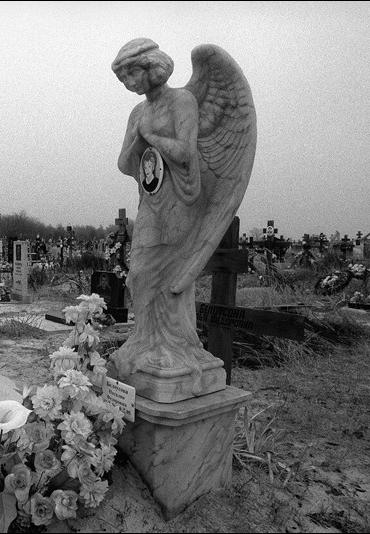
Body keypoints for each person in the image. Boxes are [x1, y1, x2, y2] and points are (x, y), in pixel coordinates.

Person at [109, 38, 257, 397]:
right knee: (140, 274)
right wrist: (135, 141)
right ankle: (146, 342)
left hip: (179, 202)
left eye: (132, 74)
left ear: (150, 66)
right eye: (123, 79)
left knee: (166, 277)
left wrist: (150, 136)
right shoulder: (137, 114)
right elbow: (126, 165)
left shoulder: (183, 101)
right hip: (151, 201)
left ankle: (173, 348)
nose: (129, 84)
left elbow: (186, 153)